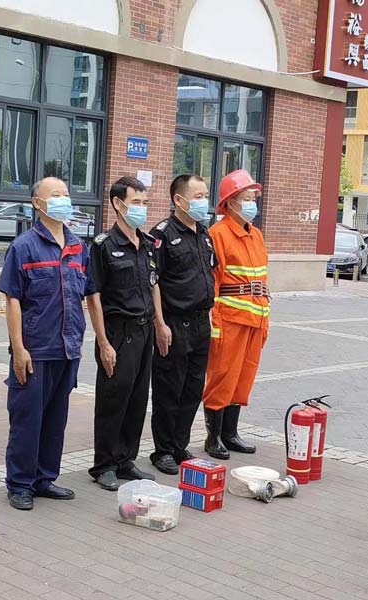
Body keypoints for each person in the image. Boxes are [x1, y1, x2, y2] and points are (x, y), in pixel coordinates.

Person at [0, 177, 97, 511]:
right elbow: (12, 300)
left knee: (55, 420)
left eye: (66, 194)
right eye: (55, 195)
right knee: (27, 421)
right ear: (37, 203)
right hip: (35, 349)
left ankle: (44, 479)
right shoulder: (23, 247)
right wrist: (18, 349)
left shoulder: (78, 246)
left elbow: (85, 294)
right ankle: (20, 484)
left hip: (67, 348)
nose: (63, 200)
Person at [87, 176, 158, 491]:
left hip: (144, 332)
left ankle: (125, 459)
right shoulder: (104, 245)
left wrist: (160, 324)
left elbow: (154, 285)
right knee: (113, 400)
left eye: (145, 203)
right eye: (136, 202)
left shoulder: (147, 243)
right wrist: (103, 342)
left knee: (137, 399)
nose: (142, 208)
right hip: (118, 333)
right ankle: (104, 465)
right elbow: (94, 297)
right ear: (118, 204)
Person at [148, 174, 216, 475]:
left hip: (201, 324)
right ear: (179, 199)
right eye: (198, 196)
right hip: (174, 323)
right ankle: (163, 450)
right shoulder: (162, 234)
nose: (204, 202)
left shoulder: (204, 233)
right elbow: (153, 282)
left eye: (206, 195)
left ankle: (179, 445)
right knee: (169, 389)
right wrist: (159, 324)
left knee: (192, 389)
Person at [202, 170, 269, 460]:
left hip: (255, 319)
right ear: (230, 203)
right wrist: (215, 323)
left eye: (254, 198)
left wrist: (265, 319)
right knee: (223, 377)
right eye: (247, 198)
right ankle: (213, 437)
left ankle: (230, 433)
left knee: (243, 377)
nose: (253, 204)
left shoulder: (256, 235)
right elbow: (213, 284)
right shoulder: (218, 234)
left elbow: (262, 280)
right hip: (230, 320)